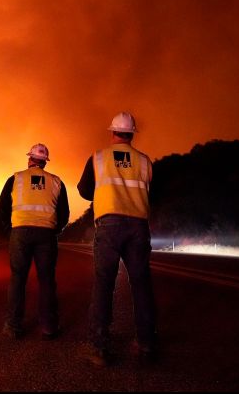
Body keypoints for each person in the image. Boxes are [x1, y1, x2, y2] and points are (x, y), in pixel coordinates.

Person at [77, 111, 157, 366]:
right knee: (141, 284)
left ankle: (99, 347)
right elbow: (151, 189)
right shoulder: (145, 161)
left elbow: (84, 190)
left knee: (103, 284)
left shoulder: (98, 158)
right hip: (137, 225)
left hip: (109, 225)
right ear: (132, 133)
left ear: (112, 132)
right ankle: (146, 343)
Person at [0, 143, 70, 340]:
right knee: (47, 280)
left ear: (29, 159)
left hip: (20, 232)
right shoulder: (56, 182)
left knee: (18, 279)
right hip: (46, 234)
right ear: (45, 163)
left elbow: (3, 205)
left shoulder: (16, 178)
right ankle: (49, 326)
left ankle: (13, 326)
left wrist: (10, 228)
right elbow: (64, 213)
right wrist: (55, 229)